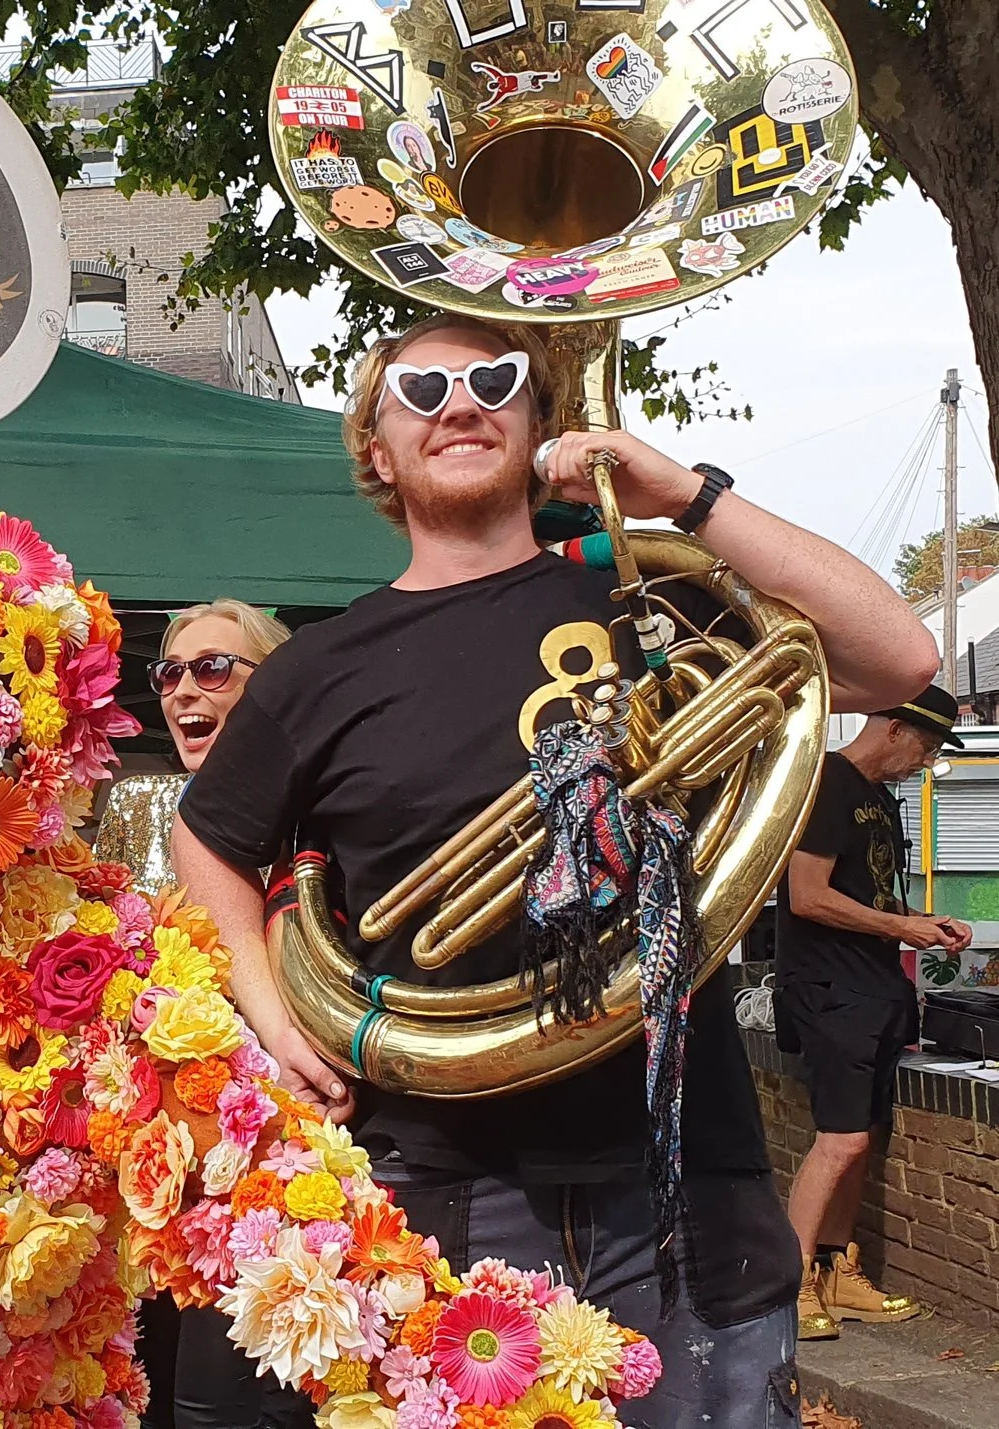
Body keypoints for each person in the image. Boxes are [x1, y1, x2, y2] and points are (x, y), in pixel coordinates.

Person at [170, 312, 937, 1429]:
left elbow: (896, 655)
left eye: (492, 379)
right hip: (437, 1177)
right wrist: (274, 1010)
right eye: (419, 394)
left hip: (680, 1165)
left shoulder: (647, 590)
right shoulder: (318, 668)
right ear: (376, 453)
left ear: (536, 420)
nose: (461, 404)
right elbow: (207, 838)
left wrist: (687, 492)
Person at [104, 600, 308, 1429]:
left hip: (284, 1164)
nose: (185, 688)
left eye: (213, 667)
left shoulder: (318, 817)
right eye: (170, 673)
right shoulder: (140, 804)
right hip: (157, 1168)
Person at [777, 685, 965, 1339]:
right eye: (926, 745)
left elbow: (873, 894)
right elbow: (805, 895)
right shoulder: (827, 783)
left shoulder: (881, 800)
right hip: (833, 989)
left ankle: (839, 1269)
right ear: (892, 729)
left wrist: (921, 923)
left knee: (864, 1138)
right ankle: (792, 1282)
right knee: (840, 1139)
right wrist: (897, 925)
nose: (926, 760)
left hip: (877, 986)